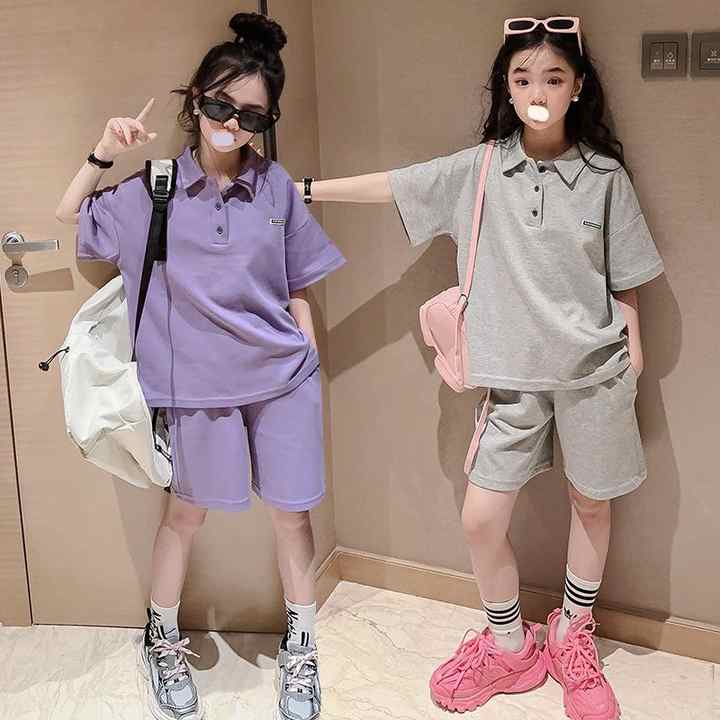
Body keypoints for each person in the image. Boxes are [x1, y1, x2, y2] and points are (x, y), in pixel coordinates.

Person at [296, 15, 663, 720]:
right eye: (523, 78)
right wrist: (303, 189)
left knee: (593, 504)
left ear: (577, 87)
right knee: (480, 519)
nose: (537, 92)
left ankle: (573, 635)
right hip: (511, 382)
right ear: (506, 87)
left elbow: (626, 277)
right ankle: (510, 647)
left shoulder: (605, 178)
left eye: (553, 78)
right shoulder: (482, 168)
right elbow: (396, 185)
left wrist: (635, 349)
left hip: (595, 375)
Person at [55, 12, 344, 720]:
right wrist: (102, 150)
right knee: (184, 516)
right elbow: (69, 215)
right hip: (192, 389)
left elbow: (298, 278)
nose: (232, 124)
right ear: (195, 100)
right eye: (220, 105)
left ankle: (302, 648)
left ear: (265, 122)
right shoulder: (153, 190)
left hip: (282, 381)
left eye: (252, 115)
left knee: (293, 516)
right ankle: (161, 638)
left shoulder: (274, 187)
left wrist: (307, 345)